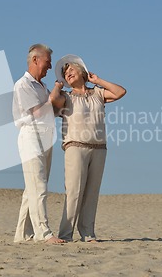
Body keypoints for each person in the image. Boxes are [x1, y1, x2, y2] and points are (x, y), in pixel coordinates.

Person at [51, 55, 126, 242]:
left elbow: (120, 92)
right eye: (64, 73)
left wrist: (98, 80)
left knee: (92, 192)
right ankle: (65, 234)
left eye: (70, 70)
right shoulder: (66, 97)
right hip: (75, 146)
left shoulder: (98, 93)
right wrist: (57, 85)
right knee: (74, 191)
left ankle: (88, 233)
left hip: (99, 148)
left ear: (82, 72)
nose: (67, 74)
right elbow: (53, 101)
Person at [13, 44, 66, 244]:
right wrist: (55, 94)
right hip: (31, 136)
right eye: (47, 62)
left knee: (32, 187)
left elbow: (52, 111)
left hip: (46, 137)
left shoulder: (40, 86)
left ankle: (22, 234)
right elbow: (36, 112)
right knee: (39, 185)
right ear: (35, 60)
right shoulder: (23, 84)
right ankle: (43, 233)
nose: (50, 66)